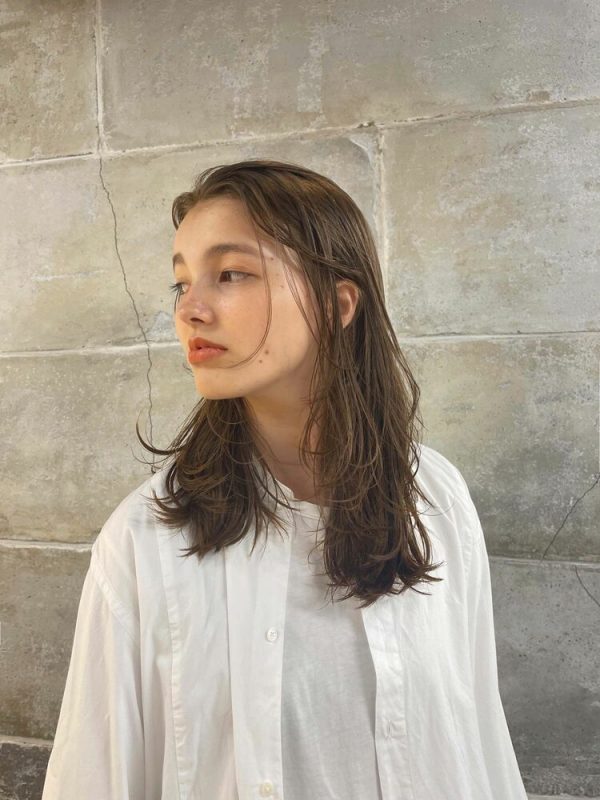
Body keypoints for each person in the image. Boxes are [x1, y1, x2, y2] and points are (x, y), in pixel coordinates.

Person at [41, 159, 529, 799]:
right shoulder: (144, 540)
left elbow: (479, 736)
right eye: (181, 283)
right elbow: (93, 778)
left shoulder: (435, 498)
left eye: (231, 274)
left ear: (337, 303)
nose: (189, 310)